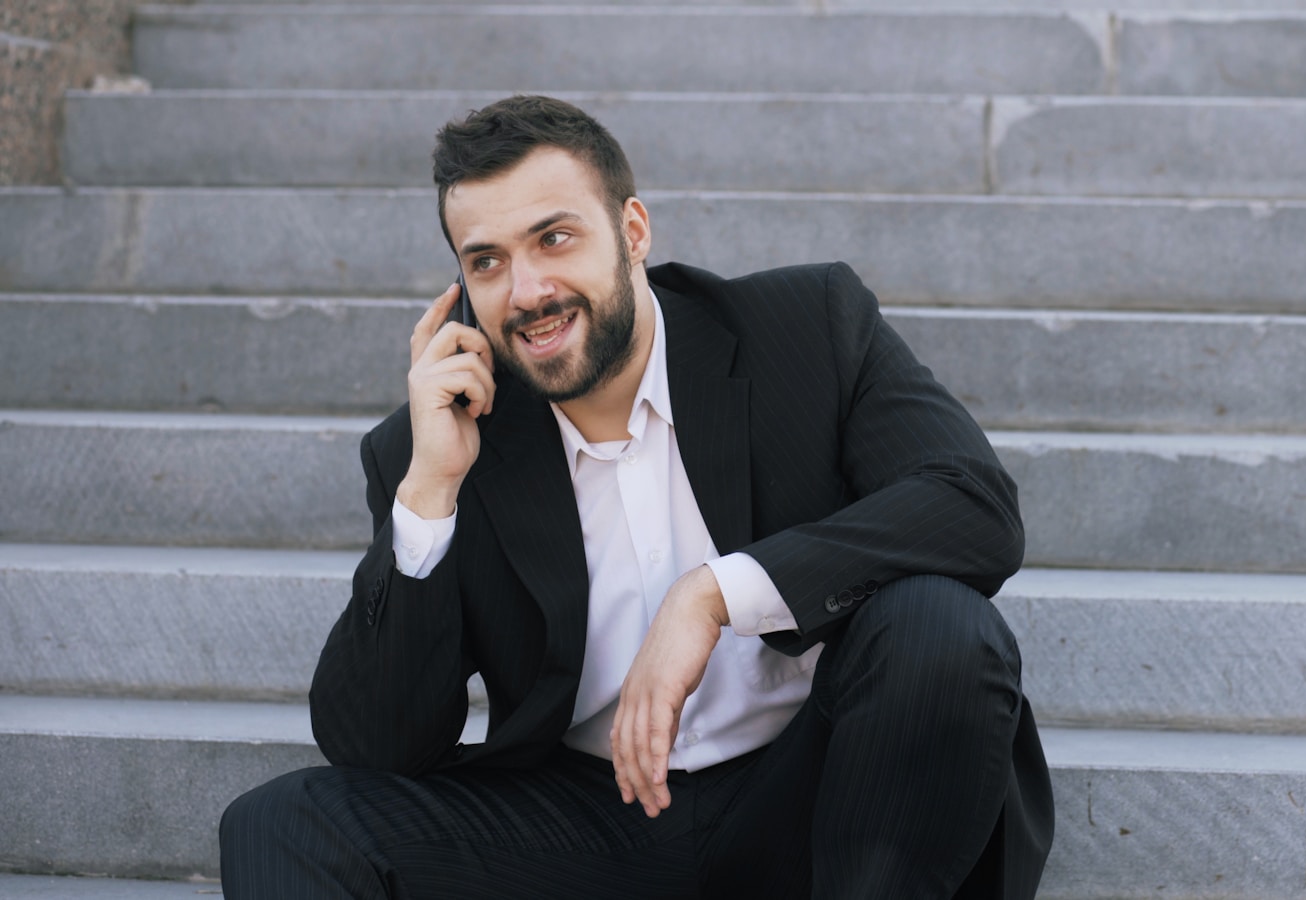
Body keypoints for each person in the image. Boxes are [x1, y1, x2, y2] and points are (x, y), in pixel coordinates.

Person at [219, 94, 1052, 899]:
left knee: (941, 626)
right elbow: (377, 746)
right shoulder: (441, 443)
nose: (528, 291)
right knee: (283, 824)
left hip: (819, 798)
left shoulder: (806, 327)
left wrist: (714, 595)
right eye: (488, 261)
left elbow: (972, 504)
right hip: (589, 822)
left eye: (554, 238)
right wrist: (430, 490)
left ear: (633, 230)